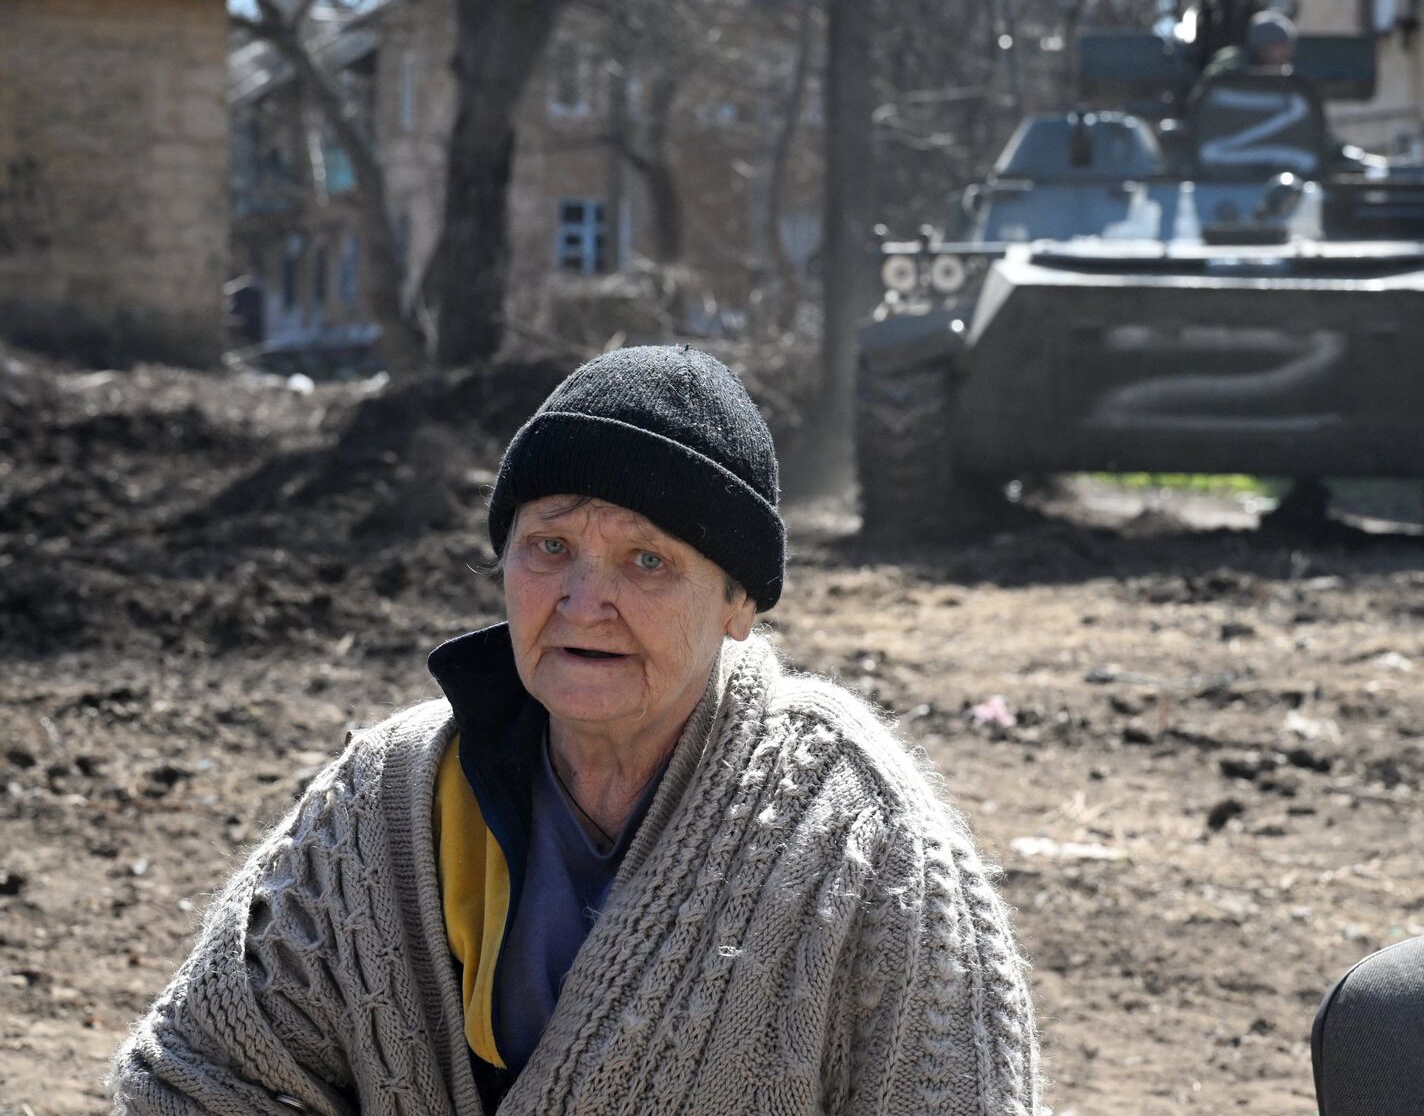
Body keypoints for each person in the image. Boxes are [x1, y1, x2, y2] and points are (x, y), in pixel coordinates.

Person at [110, 345, 1044, 1115]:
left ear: (739, 603)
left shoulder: (859, 836)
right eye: (549, 547)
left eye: (647, 560)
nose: (584, 601)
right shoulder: (391, 801)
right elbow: (195, 1075)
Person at [1199, 8, 1298, 85]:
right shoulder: (1232, 61)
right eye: (1279, 45)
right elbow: (1213, 83)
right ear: (1262, 47)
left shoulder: (1284, 71)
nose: (1287, 52)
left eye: (1287, 46)